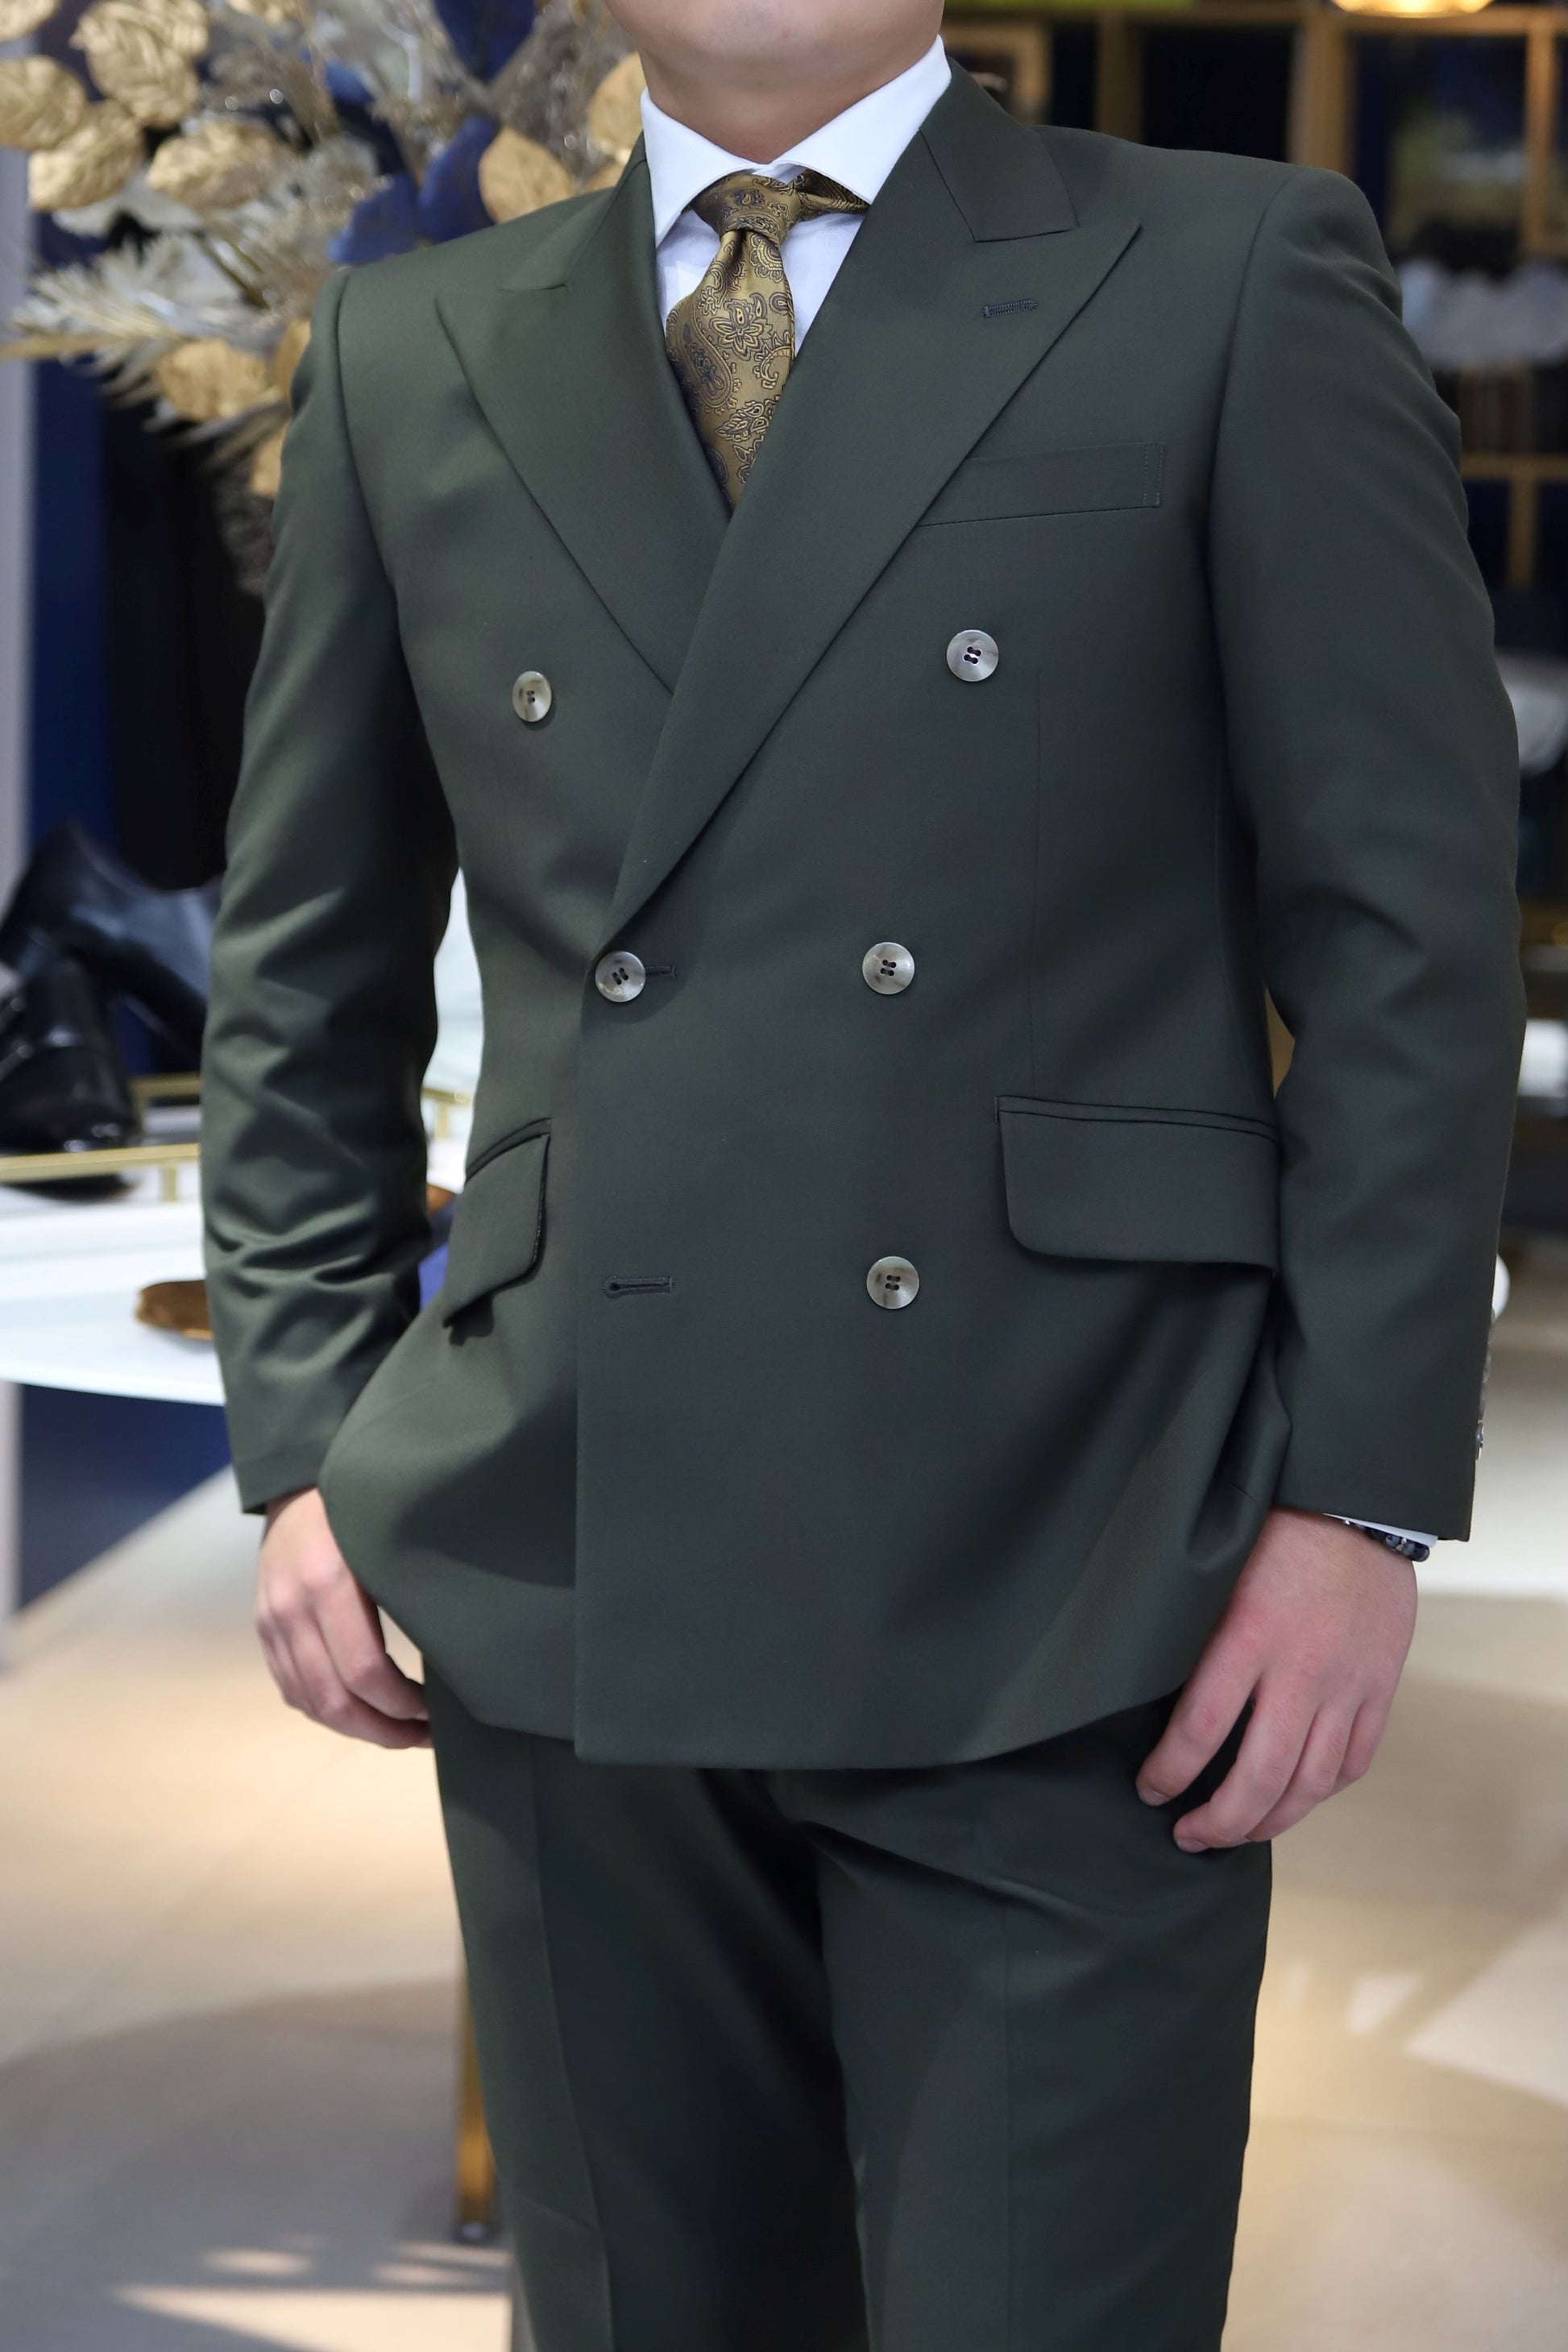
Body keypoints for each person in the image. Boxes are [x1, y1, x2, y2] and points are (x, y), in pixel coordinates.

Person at [201, 2, 1524, 2344]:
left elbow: (1404, 940)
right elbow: (307, 959)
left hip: (1071, 1533)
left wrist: (1358, 1504)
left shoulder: (1225, 269)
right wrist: (303, 1441)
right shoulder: (416, 346)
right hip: (575, 1531)